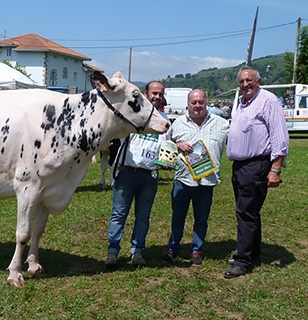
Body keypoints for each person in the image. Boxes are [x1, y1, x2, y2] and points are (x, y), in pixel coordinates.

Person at [224, 66, 289, 279]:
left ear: (258, 80)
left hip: (256, 164)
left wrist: (275, 169)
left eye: (249, 80)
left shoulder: (268, 101)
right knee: (249, 212)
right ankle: (253, 253)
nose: (245, 84)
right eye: (241, 81)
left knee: (246, 212)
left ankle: (243, 260)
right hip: (241, 166)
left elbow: (279, 136)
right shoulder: (243, 102)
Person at [104, 81, 170, 267]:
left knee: (143, 216)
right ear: (145, 94)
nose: (156, 96)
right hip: (127, 173)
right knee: (119, 214)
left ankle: (137, 251)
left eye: (160, 93)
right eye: (154, 93)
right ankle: (113, 251)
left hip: (150, 176)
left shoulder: (165, 121)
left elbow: (167, 147)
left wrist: (167, 161)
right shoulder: (130, 115)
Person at [161, 89, 229, 265]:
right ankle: (173, 247)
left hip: (207, 181)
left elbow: (237, 144)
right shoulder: (177, 124)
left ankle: (197, 250)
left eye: (201, 102)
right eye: (194, 102)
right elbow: (165, 145)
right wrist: (177, 145)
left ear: (206, 103)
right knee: (178, 216)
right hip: (182, 180)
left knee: (201, 219)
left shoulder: (222, 124)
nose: (197, 105)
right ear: (188, 104)